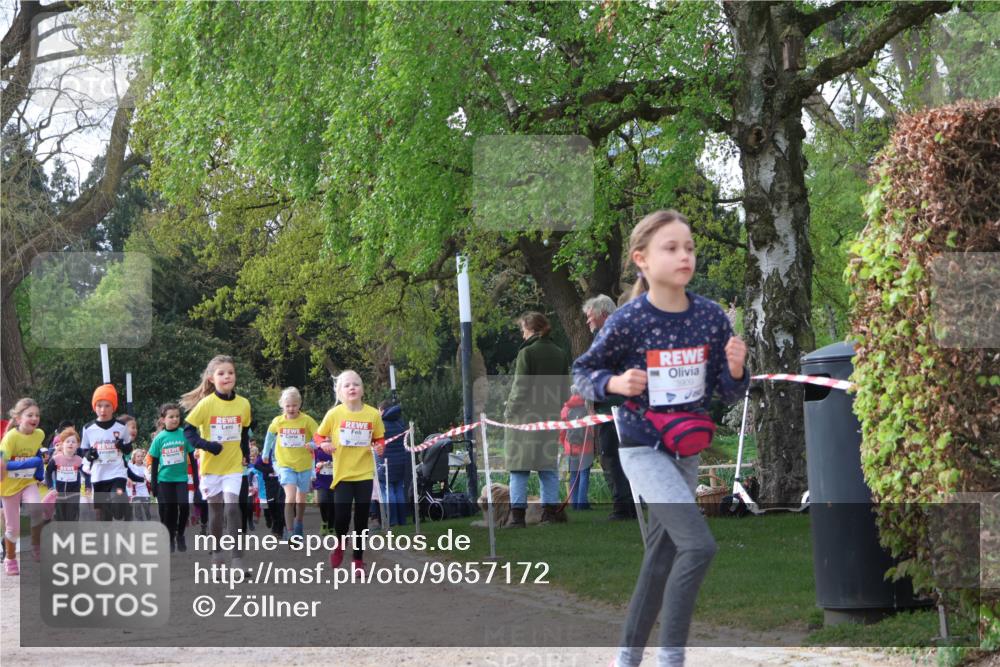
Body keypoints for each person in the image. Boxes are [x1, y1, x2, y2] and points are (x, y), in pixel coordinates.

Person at [573, 209, 748, 667]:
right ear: (642, 260)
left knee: (660, 557)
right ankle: (672, 658)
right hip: (642, 448)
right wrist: (615, 385)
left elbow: (726, 392)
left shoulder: (710, 317)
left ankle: (626, 659)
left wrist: (734, 370)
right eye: (670, 248)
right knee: (698, 544)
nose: (684, 255)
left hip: (686, 449)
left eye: (688, 247)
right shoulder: (629, 320)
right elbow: (583, 373)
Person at [181, 355, 252, 569]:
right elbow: (189, 432)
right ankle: (217, 554)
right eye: (221, 373)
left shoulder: (243, 404)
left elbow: (244, 432)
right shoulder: (206, 404)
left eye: (230, 372)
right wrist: (207, 446)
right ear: (212, 379)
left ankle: (237, 558)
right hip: (211, 467)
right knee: (216, 511)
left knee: (232, 507)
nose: (227, 376)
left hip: (233, 465)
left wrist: (245, 452)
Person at [503, 312, 571, 528]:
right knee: (548, 469)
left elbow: (520, 386)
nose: (522, 335)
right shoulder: (560, 353)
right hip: (549, 418)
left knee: (519, 469)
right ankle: (549, 515)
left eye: (523, 330)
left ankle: (517, 518)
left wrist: (509, 411)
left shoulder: (527, 353)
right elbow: (564, 392)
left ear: (531, 329)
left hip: (525, 419)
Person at [316, 370, 385, 571]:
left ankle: (357, 559)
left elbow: (379, 438)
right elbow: (319, 436)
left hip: (364, 472)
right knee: (342, 516)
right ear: (339, 392)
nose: (352, 388)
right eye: (346, 385)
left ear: (363, 389)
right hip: (343, 473)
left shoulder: (372, 414)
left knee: (362, 517)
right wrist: (324, 445)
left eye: (356, 384)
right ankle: (339, 543)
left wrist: (380, 447)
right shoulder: (334, 414)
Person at [583, 295, 636, 521]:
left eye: (590, 316)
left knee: (611, 456)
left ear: (603, 314)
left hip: (613, 408)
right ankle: (631, 505)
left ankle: (623, 507)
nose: (588, 322)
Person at [262, 387, 319, 539]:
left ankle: (299, 522)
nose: (291, 408)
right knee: (290, 496)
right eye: (288, 406)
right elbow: (269, 436)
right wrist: (265, 453)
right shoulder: (278, 421)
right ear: (282, 406)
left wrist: (313, 445)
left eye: (294, 405)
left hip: (304, 465)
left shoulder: (307, 420)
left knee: (301, 499)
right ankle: (290, 531)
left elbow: (319, 437)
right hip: (285, 464)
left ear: (299, 404)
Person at [1, 398, 46, 574]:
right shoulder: (10, 437)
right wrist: (27, 462)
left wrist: (38, 468)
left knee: (36, 510)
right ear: (19, 419)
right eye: (30, 415)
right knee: (13, 528)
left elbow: (35, 452)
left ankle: (36, 546)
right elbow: (2, 461)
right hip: (9, 486)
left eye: (37, 415)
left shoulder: (39, 434)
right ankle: (10, 558)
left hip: (27, 482)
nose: (34, 418)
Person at [80, 385, 133, 521]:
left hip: (117, 472)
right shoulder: (88, 428)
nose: (103, 410)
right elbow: (84, 450)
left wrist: (122, 445)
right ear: (94, 407)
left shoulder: (121, 426)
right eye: (99, 405)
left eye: (107, 405)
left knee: (118, 504)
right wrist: (90, 455)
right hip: (98, 474)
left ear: (113, 407)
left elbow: (128, 448)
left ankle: (123, 507)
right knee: (103, 517)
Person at [149, 403, 196, 552]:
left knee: (183, 506)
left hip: (181, 478)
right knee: (170, 509)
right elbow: (154, 462)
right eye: (171, 417)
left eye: (177, 416)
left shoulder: (184, 434)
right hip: (165, 480)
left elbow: (192, 459)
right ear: (163, 419)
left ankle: (180, 534)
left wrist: (196, 479)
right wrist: (154, 484)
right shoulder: (159, 438)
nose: (175, 419)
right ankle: (169, 538)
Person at [559, 390, 595, 510]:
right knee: (584, 474)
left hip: (571, 447)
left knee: (574, 475)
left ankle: (574, 504)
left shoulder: (566, 408)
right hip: (586, 446)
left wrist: (565, 445)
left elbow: (562, 430)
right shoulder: (587, 406)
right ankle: (582, 504)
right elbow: (592, 430)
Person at [375, 399, 409, 527]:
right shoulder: (400, 422)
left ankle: (392, 521)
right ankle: (402, 520)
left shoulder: (381, 423)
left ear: (382, 410)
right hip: (400, 462)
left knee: (387, 491)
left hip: (385, 462)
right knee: (399, 490)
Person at [46, 427, 83, 521]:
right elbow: (48, 472)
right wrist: (50, 487)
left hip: (74, 494)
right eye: (68, 441)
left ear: (78, 445)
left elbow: (87, 474)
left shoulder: (79, 460)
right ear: (62, 444)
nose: (70, 443)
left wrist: (88, 485)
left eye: (73, 442)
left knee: (72, 517)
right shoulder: (56, 459)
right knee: (59, 517)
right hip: (59, 494)